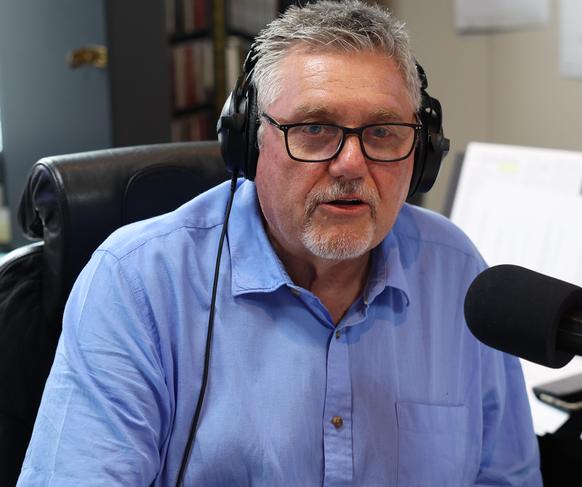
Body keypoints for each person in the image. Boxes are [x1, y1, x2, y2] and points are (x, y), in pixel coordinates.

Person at [18, 1, 542, 485]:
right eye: (315, 129)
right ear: (249, 142)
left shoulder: (457, 274)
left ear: (422, 151)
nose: (352, 165)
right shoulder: (137, 284)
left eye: (383, 132)